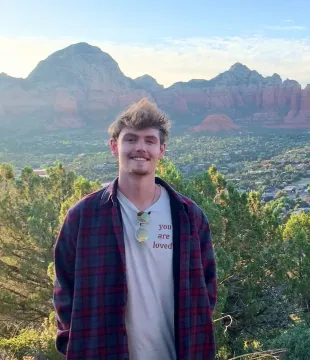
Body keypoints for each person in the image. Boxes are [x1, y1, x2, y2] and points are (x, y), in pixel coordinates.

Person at [52, 98, 217, 360]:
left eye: (149, 141)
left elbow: (207, 287)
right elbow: (64, 287)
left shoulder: (189, 217)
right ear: (114, 146)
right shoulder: (83, 217)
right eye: (130, 139)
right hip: (104, 351)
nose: (140, 148)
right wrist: (72, 340)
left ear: (161, 150)